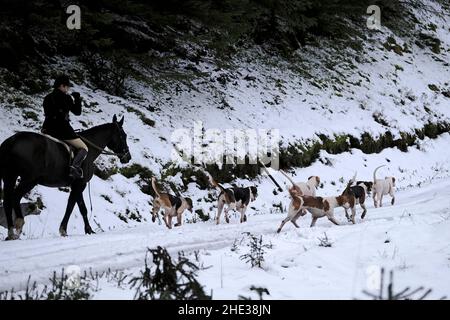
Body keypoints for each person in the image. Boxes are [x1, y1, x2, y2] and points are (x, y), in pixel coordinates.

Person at [41, 75, 88, 179]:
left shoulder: (48, 97)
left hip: (47, 129)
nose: (68, 89)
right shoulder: (66, 98)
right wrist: (77, 99)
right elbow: (77, 112)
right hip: (62, 130)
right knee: (84, 148)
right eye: (67, 87)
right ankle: (74, 168)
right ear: (62, 86)